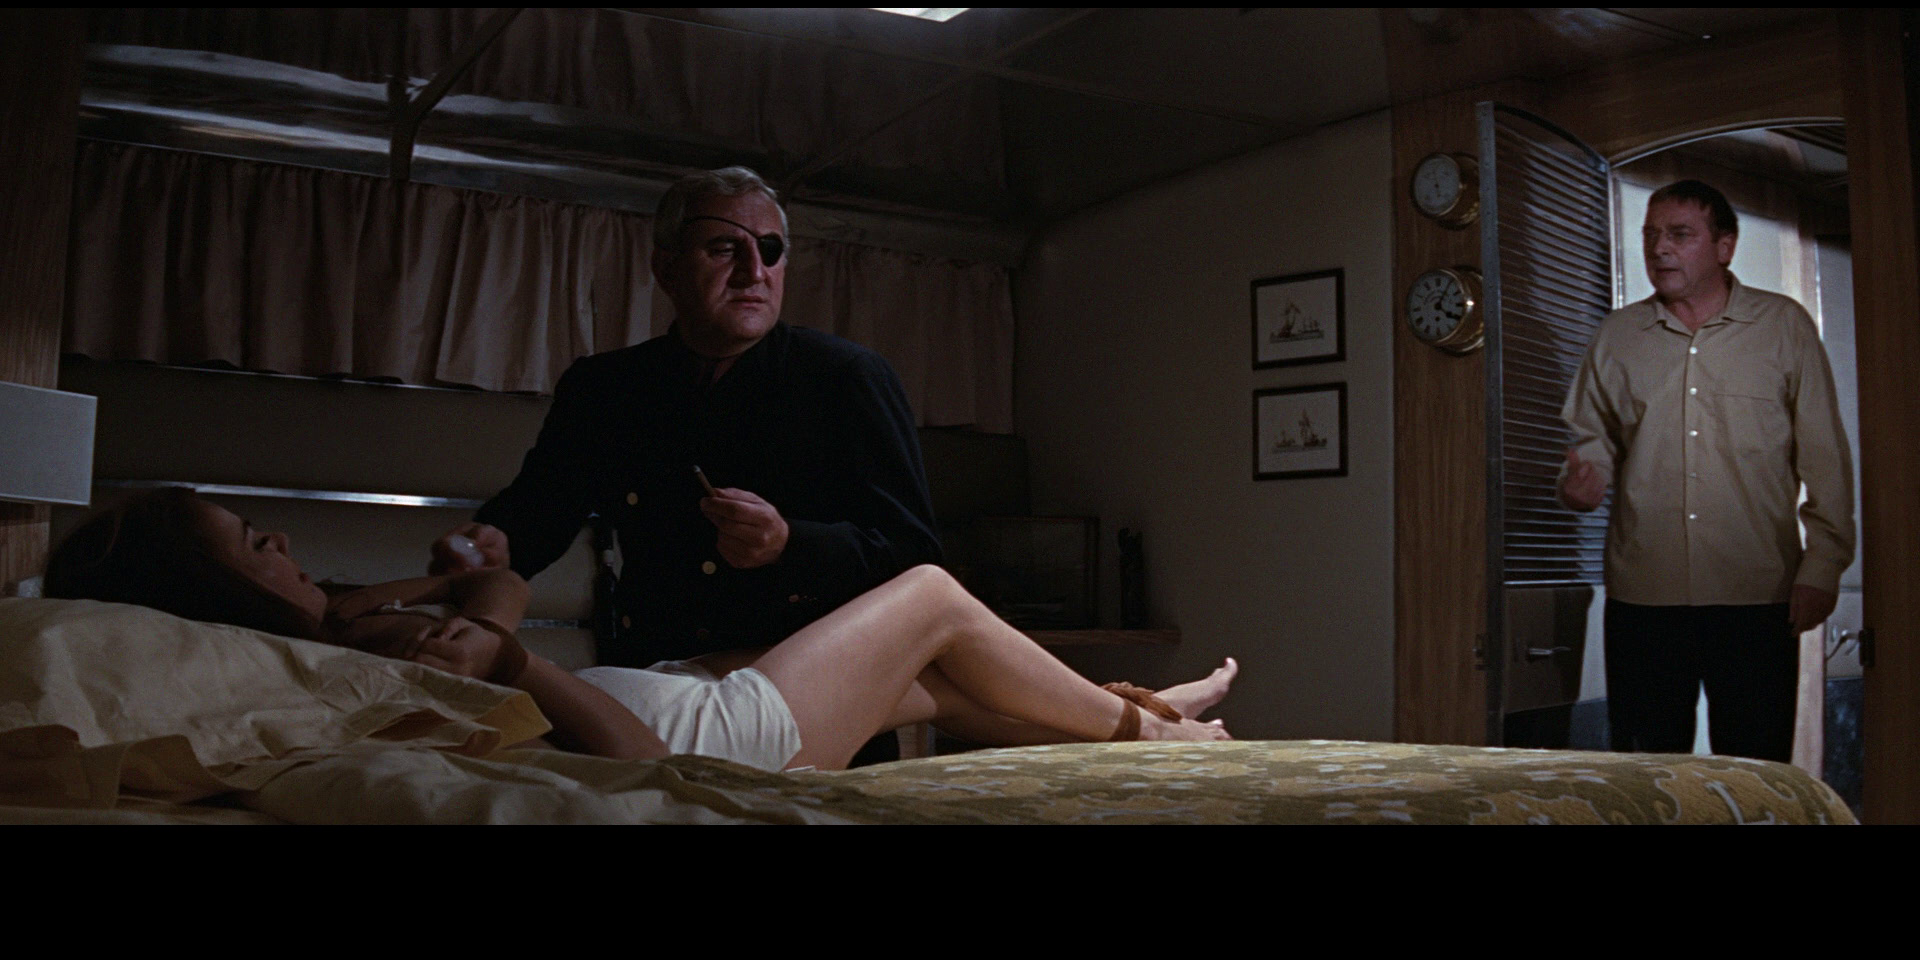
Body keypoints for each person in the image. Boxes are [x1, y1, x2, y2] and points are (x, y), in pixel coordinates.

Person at [44, 488, 1235, 771]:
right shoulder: (359, 666)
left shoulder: (334, 638)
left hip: (682, 684)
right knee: (928, 596)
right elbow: (504, 611)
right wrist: (495, 621)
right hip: (704, 736)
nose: (280, 541)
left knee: (937, 681)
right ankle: (1157, 733)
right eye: (253, 546)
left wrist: (409, 594)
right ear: (218, 595)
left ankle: (1129, 714)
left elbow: (485, 598)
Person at [433, 167, 944, 674]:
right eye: (724, 249)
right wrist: (493, 545)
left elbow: (914, 556)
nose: (754, 272)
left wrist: (791, 544)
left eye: (770, 250)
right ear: (666, 268)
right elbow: (541, 511)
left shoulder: (846, 377)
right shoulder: (605, 388)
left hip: (799, 684)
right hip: (650, 676)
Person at [1557, 179, 1854, 762]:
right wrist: (1577, 487)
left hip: (1755, 595)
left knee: (1755, 770)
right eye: (1651, 235)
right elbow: (1589, 447)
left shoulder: (1783, 326)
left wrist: (1822, 567)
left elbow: (1825, 459)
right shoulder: (1618, 336)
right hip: (1644, 600)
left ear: (1725, 246)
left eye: (1679, 234)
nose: (1659, 248)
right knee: (1646, 774)